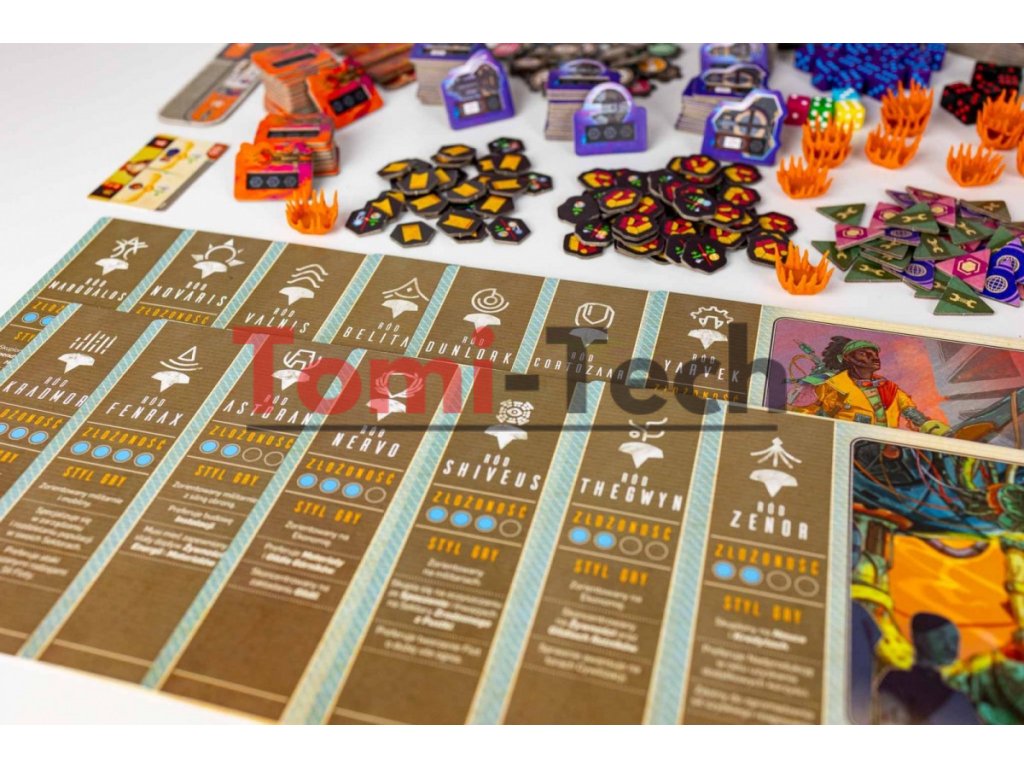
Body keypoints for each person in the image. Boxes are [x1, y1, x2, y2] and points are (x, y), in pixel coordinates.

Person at [792, 337, 949, 433]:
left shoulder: (889, 387)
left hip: (885, 450)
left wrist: (929, 426)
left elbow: (911, 412)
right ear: (846, 358)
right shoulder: (830, 386)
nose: (874, 357)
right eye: (864, 354)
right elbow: (802, 415)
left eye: (875, 354)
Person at [876, 613, 980, 724]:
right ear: (921, 640)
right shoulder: (896, 680)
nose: (950, 647)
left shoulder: (957, 698)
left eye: (954, 640)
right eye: (941, 638)